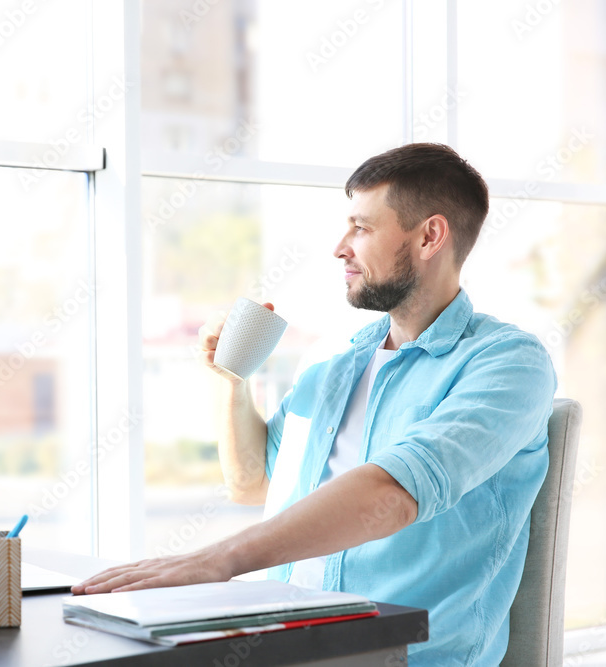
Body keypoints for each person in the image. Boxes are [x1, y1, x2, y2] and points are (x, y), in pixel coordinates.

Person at [72, 143, 557, 665]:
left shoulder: (508, 363)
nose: (339, 248)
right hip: (281, 644)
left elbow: (394, 495)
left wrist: (218, 560)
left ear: (429, 236)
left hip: (399, 655)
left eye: (361, 228)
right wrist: (230, 381)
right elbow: (254, 483)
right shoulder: (335, 359)